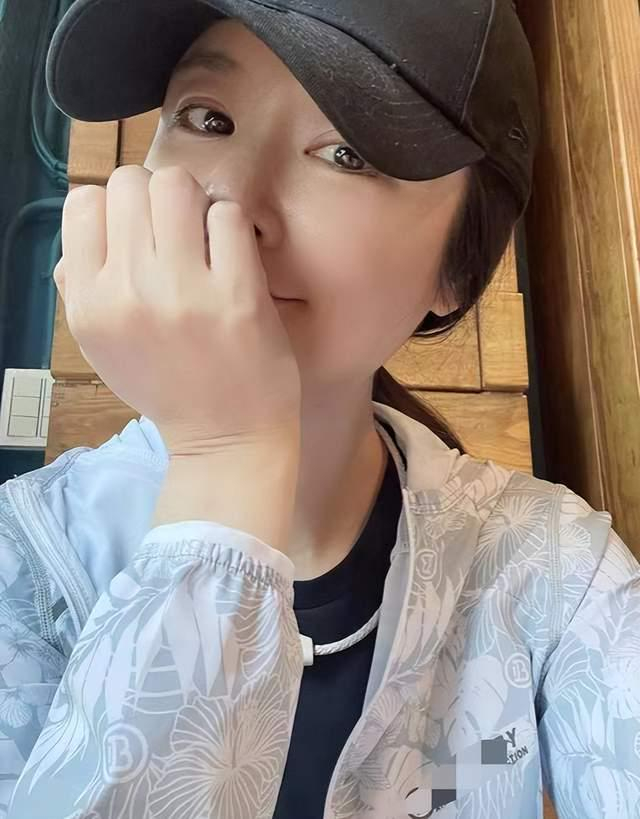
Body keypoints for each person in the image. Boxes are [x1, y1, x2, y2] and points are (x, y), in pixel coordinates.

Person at [2, 1, 639, 817]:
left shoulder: (556, 576)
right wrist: (227, 463)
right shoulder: (23, 568)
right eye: (207, 117)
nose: (231, 205)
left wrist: (231, 445)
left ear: (458, 267)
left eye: (346, 152)